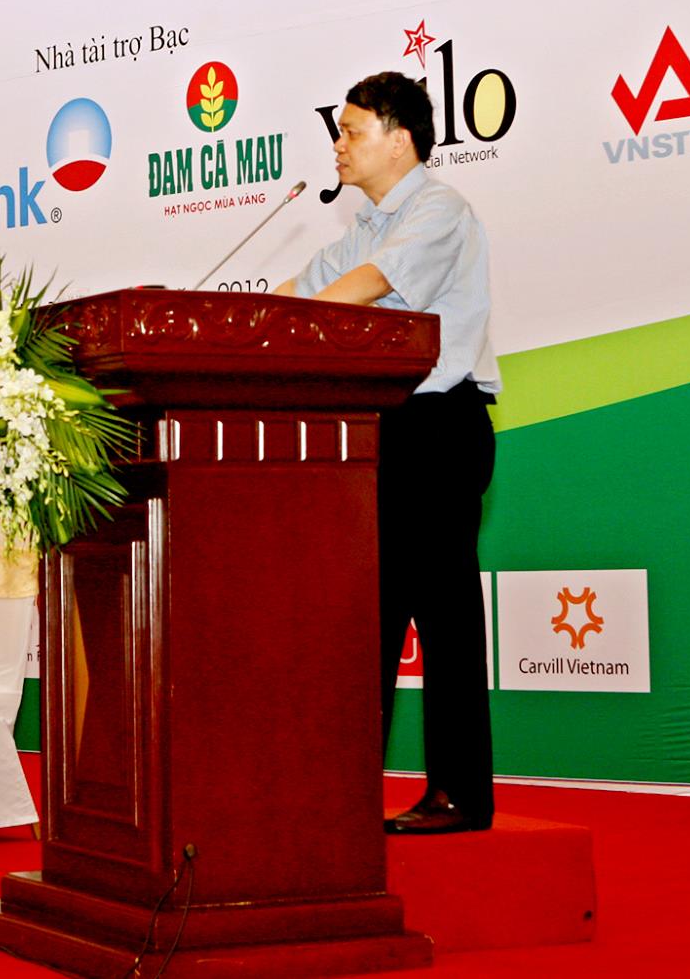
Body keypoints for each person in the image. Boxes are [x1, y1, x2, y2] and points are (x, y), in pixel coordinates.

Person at [275, 70, 499, 836]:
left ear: (399, 140)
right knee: (364, 617)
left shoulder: (439, 209)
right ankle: (342, 792)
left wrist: (295, 314)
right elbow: (298, 289)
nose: (337, 145)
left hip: (438, 427)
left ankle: (459, 793)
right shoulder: (363, 227)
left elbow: (371, 285)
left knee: (444, 616)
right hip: (379, 432)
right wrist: (225, 319)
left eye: (351, 131)